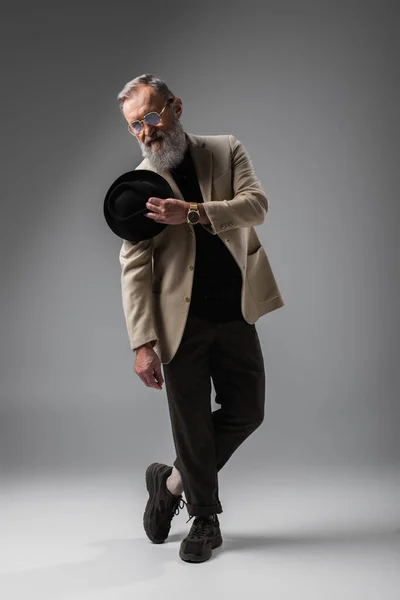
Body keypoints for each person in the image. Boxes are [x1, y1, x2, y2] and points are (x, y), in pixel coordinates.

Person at [116, 73, 284, 563]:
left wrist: (189, 212)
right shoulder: (136, 186)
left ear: (176, 107)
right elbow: (134, 265)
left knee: (247, 411)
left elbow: (256, 206)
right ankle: (204, 518)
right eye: (135, 126)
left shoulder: (225, 150)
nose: (146, 132)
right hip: (178, 325)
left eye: (151, 117)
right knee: (190, 424)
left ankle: (168, 483)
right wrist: (141, 342)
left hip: (235, 310)